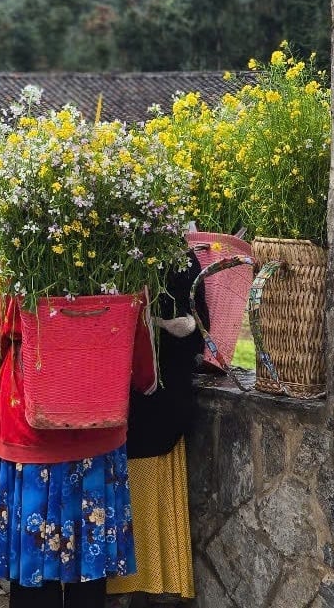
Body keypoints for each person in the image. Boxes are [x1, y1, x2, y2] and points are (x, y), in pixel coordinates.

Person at [0, 290, 137, 608]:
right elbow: (135, 332)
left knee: (32, 570)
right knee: (89, 571)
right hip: (97, 416)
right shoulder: (125, 256)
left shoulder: (18, 251)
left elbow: (0, 332)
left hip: (28, 419)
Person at [105, 256, 208, 605]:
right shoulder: (98, 249)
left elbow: (197, 330)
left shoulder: (174, 257)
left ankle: (149, 586)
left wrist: (163, 325)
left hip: (156, 405)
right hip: (110, 407)